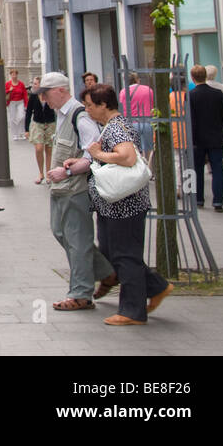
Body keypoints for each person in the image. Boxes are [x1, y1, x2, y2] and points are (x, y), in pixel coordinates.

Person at [83, 83, 173, 325]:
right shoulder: (110, 127)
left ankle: (132, 311)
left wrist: (98, 154)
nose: (87, 110)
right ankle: (157, 287)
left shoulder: (117, 128)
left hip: (125, 206)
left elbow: (127, 157)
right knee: (114, 253)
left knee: (125, 256)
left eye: (90, 105)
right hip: (113, 205)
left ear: (104, 105)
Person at [40, 72, 116, 312]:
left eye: (46, 93)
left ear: (61, 90)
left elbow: (92, 152)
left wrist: (68, 173)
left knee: (77, 240)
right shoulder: (61, 114)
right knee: (61, 232)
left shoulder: (79, 116)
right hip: (61, 189)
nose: (43, 98)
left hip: (76, 188)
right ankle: (107, 272)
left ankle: (81, 293)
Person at [188, 64, 223, 212]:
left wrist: (191, 138)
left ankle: (199, 199)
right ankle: (218, 202)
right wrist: (219, 129)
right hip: (216, 137)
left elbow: (190, 120)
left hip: (198, 139)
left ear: (193, 78)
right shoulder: (218, 94)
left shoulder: (191, 95)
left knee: (198, 169)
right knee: (217, 170)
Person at [26, 76, 56, 184]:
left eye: (36, 84)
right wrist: (26, 129)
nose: (34, 86)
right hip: (37, 123)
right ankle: (40, 173)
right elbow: (29, 112)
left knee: (48, 149)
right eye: (33, 84)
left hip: (50, 123)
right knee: (39, 148)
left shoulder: (49, 95)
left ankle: (48, 173)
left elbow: (56, 108)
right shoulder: (33, 96)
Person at [119, 72, 154, 160]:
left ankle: (139, 169)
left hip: (132, 123)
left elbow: (123, 109)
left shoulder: (123, 92)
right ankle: (149, 169)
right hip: (147, 122)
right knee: (149, 149)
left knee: (136, 150)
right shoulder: (148, 89)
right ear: (137, 80)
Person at [5, 69, 28, 140]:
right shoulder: (8, 84)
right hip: (12, 102)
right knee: (12, 118)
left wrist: (26, 104)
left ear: (17, 75)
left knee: (22, 117)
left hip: (20, 101)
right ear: (10, 75)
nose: (14, 76)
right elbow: (4, 92)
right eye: (12, 74)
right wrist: (9, 90)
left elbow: (25, 94)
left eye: (15, 74)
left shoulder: (21, 84)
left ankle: (22, 132)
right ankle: (15, 134)